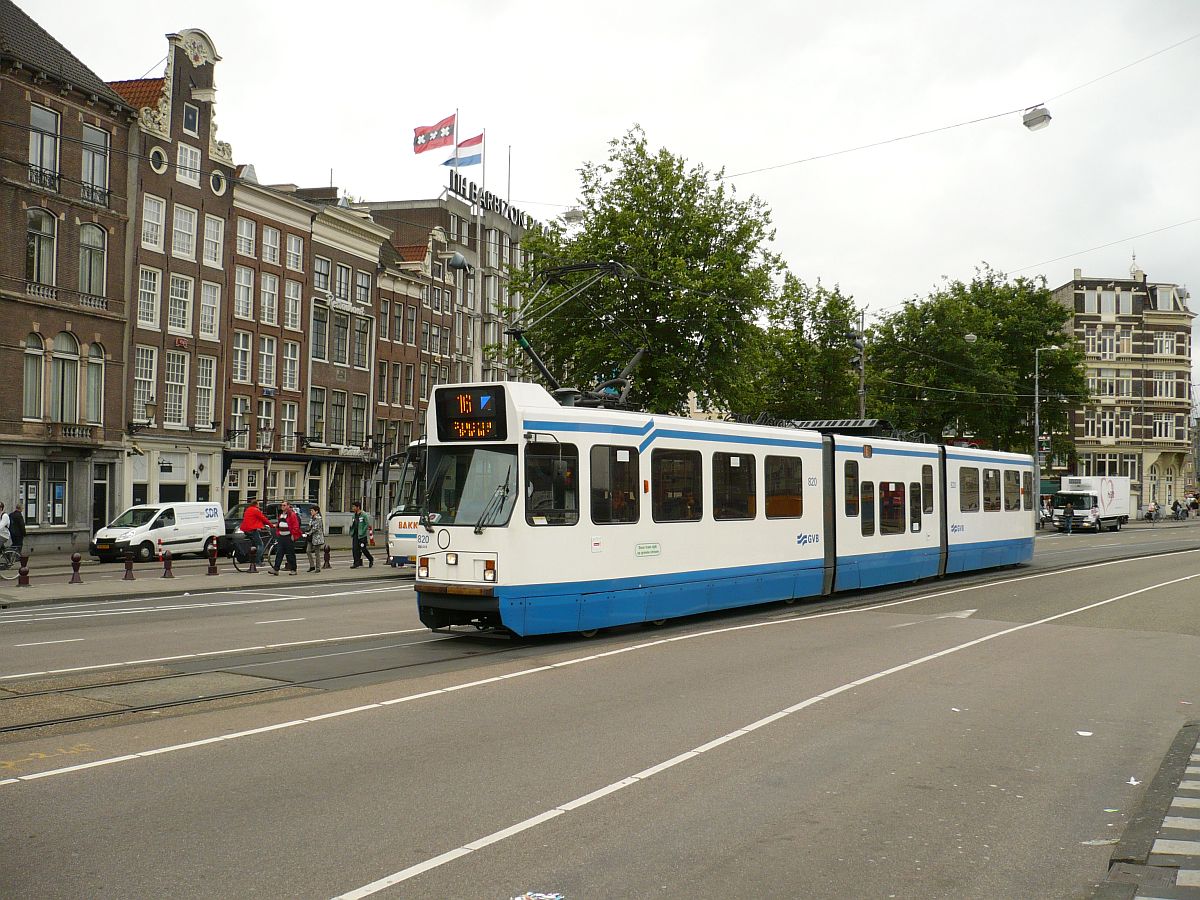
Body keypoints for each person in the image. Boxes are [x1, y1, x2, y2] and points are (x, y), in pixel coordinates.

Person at [269, 501, 300, 575]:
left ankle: (293, 569)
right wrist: (277, 529)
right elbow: (279, 524)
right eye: (282, 505)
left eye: (284, 505)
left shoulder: (292, 515)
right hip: (281, 536)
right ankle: (276, 569)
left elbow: (295, 525)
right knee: (279, 553)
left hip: (288, 537)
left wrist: (293, 535)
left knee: (290, 554)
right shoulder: (281, 515)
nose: (282, 507)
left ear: (288, 506)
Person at [239, 499, 271, 564]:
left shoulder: (248, 509)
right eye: (258, 504)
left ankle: (252, 554)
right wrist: (271, 525)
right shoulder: (256, 510)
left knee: (254, 543)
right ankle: (258, 560)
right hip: (251, 529)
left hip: (245, 529)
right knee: (260, 544)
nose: (259, 506)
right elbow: (263, 518)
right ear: (256, 504)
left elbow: (253, 519)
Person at [350, 501, 373, 568]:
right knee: (355, 549)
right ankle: (356, 563)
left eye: (354, 507)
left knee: (363, 549)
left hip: (362, 535)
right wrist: (351, 530)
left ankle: (370, 559)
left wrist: (363, 531)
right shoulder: (354, 515)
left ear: (358, 507)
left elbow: (367, 524)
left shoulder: (364, 515)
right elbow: (353, 524)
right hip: (355, 535)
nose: (353, 508)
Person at [305, 506, 325, 573]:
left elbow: (315, 528)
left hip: (317, 538)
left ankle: (318, 567)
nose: (311, 512)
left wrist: (308, 533)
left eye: (312, 510)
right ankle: (312, 565)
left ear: (316, 511)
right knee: (308, 551)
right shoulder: (312, 518)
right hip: (311, 538)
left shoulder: (318, 518)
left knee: (317, 553)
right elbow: (310, 526)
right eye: (310, 511)